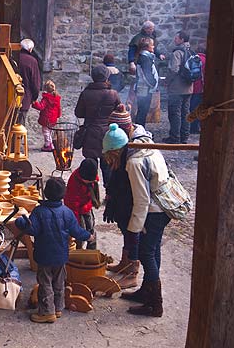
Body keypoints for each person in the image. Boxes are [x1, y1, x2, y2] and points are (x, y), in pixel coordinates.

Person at [102, 123, 171, 317]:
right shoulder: (143, 144)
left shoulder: (133, 163)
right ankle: (146, 291)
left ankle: (155, 304)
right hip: (161, 204)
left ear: (115, 152)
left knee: (146, 253)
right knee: (153, 249)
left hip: (156, 209)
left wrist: (134, 230)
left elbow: (142, 200)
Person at [15, 177, 93, 323]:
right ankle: (58, 308)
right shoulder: (67, 212)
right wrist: (89, 236)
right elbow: (76, 231)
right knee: (59, 282)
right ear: (63, 194)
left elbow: (32, 229)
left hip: (44, 256)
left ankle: (47, 312)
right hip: (61, 256)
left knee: (45, 283)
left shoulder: (39, 212)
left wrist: (21, 221)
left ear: (45, 193)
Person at [103, 105, 148, 289]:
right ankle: (125, 262)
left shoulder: (135, 148)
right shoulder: (121, 143)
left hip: (133, 197)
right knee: (125, 228)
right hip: (123, 195)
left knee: (133, 232)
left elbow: (136, 186)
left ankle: (132, 272)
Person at [75, 65, 121, 188]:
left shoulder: (86, 94)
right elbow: (120, 112)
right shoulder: (113, 94)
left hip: (90, 131)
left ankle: (91, 194)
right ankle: (110, 193)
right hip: (108, 133)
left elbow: (78, 113)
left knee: (91, 166)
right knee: (107, 166)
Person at [163, 31, 193, 144]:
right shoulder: (191, 51)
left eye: (176, 37)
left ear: (181, 39)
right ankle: (184, 137)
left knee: (175, 113)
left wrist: (167, 81)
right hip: (189, 87)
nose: (174, 39)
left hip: (177, 88)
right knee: (185, 112)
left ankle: (175, 137)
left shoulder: (177, 53)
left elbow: (173, 70)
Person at [64, 158, 100, 250]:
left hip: (87, 206)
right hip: (76, 210)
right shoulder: (74, 182)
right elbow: (72, 205)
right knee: (80, 231)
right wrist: (75, 224)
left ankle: (91, 251)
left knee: (91, 228)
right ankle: (79, 251)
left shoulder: (92, 177)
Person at [134, 37, 159, 127]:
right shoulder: (144, 58)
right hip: (144, 88)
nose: (153, 46)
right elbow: (146, 75)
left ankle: (140, 130)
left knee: (143, 111)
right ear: (147, 46)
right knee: (142, 111)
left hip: (144, 88)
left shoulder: (146, 57)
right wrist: (153, 84)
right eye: (152, 44)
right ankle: (139, 132)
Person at [32, 80, 61, 152]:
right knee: (50, 131)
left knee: (46, 131)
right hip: (53, 118)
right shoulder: (56, 98)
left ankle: (48, 144)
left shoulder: (46, 98)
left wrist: (34, 103)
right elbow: (59, 108)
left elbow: (41, 106)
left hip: (46, 118)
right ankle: (50, 143)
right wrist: (58, 115)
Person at [18, 39, 42, 126]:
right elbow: (35, 82)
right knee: (20, 125)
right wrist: (34, 97)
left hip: (10, 95)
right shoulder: (32, 61)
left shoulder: (14, 57)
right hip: (25, 97)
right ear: (30, 49)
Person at [189, 44, 206, 134]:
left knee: (192, 107)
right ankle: (195, 127)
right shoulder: (206, 60)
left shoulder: (193, 59)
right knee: (198, 107)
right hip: (201, 87)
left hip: (192, 86)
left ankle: (191, 126)